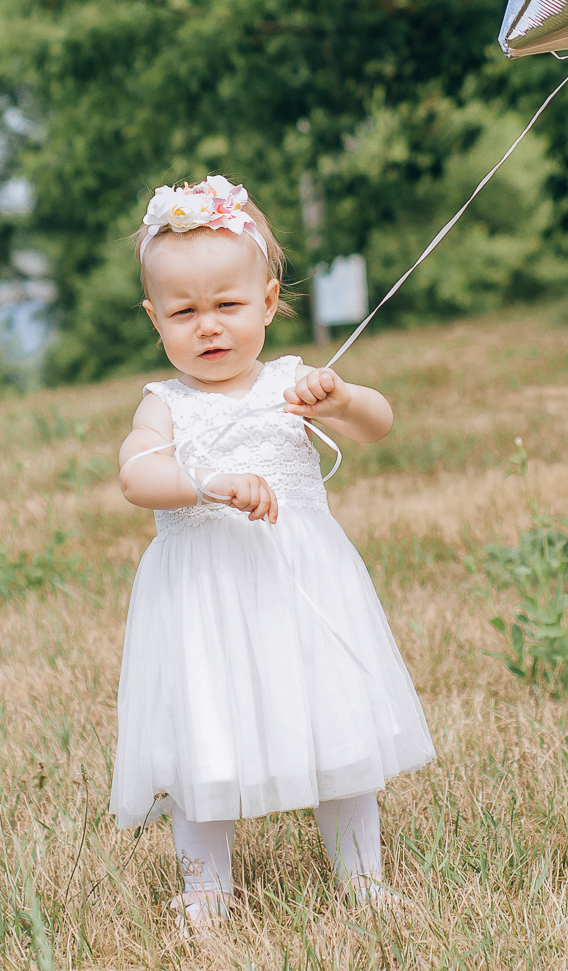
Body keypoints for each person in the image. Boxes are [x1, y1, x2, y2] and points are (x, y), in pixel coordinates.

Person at [112, 174, 435, 932]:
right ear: (155, 319)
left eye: (226, 305)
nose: (208, 327)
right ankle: (204, 889)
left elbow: (378, 425)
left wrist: (343, 401)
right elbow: (136, 475)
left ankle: (362, 880)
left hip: (302, 584)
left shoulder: (292, 382)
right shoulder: (165, 403)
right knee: (206, 735)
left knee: (337, 722)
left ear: (266, 299)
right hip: (204, 596)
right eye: (184, 312)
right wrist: (205, 482)